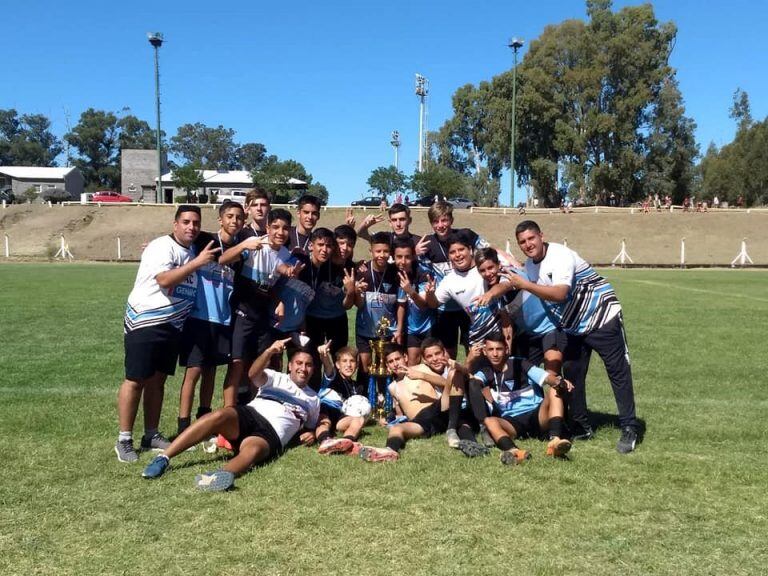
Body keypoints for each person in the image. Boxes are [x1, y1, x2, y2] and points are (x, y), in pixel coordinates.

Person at [500, 221, 640, 453]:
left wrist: (524, 284)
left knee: (618, 372)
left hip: (602, 317)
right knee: (573, 374)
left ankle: (629, 428)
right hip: (574, 326)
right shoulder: (530, 266)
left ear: (541, 236)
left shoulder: (560, 255)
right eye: (522, 242)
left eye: (531, 239)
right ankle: (582, 426)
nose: (528, 245)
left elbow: (560, 293)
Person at [141, 339, 320, 491]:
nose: (303, 368)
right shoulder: (276, 377)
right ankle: (163, 458)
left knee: (253, 450)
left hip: (271, 433)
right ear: (290, 365)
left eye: (308, 364)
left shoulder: (313, 399)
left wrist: (311, 434)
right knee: (219, 415)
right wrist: (268, 352)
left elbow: (310, 427)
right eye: (299, 363)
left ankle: (217, 477)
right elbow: (252, 374)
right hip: (251, 414)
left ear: (312, 370)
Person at [115, 205, 221, 463]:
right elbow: (164, 280)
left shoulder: (193, 250)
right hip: (146, 321)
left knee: (157, 381)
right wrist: (196, 263)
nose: (191, 227)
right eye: (185, 221)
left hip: (172, 325)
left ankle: (150, 434)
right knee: (136, 379)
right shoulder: (162, 247)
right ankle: (124, 439)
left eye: (195, 223)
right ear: (174, 224)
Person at [176, 201, 245, 435]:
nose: (234, 221)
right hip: (198, 317)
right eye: (230, 216)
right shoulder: (205, 239)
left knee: (211, 371)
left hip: (223, 319)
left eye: (238, 217)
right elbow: (179, 242)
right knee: (193, 371)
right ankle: (183, 424)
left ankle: (203, 418)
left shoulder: (241, 252)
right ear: (220, 219)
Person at [219, 208, 298, 401]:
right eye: (275, 227)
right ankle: (230, 410)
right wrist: (244, 246)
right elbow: (223, 259)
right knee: (237, 363)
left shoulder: (286, 253)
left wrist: (278, 298)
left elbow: (276, 274)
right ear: (268, 228)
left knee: (261, 363)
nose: (280, 232)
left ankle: (256, 408)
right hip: (243, 312)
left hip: (263, 316)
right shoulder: (256, 244)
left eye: (285, 228)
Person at [465, 334, 574, 465]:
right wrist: (470, 360)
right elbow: (471, 384)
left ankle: (555, 441)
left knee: (554, 389)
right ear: (484, 351)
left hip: (537, 415)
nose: (495, 354)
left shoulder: (520, 363)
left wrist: (558, 381)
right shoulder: (485, 372)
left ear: (506, 349)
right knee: (489, 421)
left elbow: (545, 377)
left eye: (499, 349)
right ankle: (515, 452)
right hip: (512, 422)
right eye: (490, 349)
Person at [358, 344, 477, 462]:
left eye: (397, 359)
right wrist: (388, 419)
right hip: (420, 421)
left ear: (405, 357)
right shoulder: (392, 387)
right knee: (397, 428)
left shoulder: (420, 368)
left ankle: (471, 443)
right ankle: (390, 450)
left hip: (438, 408)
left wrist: (422, 376)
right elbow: (400, 414)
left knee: (454, 375)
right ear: (388, 365)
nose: (395, 364)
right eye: (391, 361)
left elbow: (447, 383)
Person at [418, 201, 489, 358]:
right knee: (447, 353)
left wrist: (511, 260)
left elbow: (489, 252)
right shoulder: (426, 245)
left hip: (470, 306)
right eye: (436, 222)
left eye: (444, 220)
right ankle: (451, 381)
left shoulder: (465, 235)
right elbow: (424, 275)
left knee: (475, 349)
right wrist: (417, 253)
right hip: (444, 309)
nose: (441, 225)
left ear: (451, 220)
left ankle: (474, 381)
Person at [424, 232, 511, 350]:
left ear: (470, 250)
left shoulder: (484, 267)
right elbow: (434, 303)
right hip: (478, 335)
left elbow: (506, 284)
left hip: (504, 329)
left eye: (461, 249)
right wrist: (430, 294)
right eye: (452, 252)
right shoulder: (450, 280)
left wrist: (489, 294)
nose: (457, 255)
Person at [353, 231, 406, 385]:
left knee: (388, 367)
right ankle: (362, 400)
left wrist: (399, 329)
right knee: (365, 364)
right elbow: (358, 304)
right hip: (365, 329)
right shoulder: (362, 271)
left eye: (385, 251)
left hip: (388, 331)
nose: (381, 255)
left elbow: (401, 304)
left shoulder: (395, 273)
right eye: (378, 251)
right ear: (371, 251)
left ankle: (386, 400)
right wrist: (357, 292)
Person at [315, 342, 366, 455]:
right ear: (337, 365)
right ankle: (325, 441)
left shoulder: (357, 387)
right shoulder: (333, 377)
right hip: (325, 409)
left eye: (352, 361)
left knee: (359, 419)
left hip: (340, 416)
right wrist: (324, 355)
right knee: (324, 420)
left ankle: (348, 443)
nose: (348, 365)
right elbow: (328, 367)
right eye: (344, 361)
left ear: (357, 365)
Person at [392, 238, 435, 365]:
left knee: (432, 362)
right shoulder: (395, 272)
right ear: (393, 257)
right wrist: (399, 330)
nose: (403, 261)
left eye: (407, 257)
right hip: (411, 328)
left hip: (428, 325)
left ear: (414, 256)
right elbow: (401, 303)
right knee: (412, 362)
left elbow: (423, 304)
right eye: (399, 257)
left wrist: (410, 291)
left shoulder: (423, 273)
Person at [356, 203, 421, 250]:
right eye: (394, 220)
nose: (398, 224)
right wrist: (365, 225)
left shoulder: (418, 241)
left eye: (402, 219)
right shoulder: (384, 239)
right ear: (390, 223)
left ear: (409, 221)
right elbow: (360, 234)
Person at [286, 194, 321, 260]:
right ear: (298, 213)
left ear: (318, 216)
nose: (310, 217)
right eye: (306, 212)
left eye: (314, 213)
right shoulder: (286, 234)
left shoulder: (317, 242)